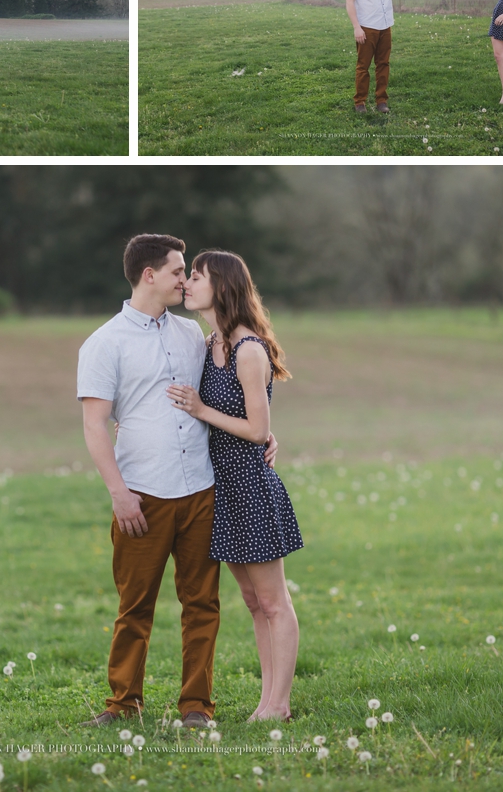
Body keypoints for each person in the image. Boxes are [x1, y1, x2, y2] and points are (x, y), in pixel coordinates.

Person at [77, 234, 277, 729]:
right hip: (142, 494)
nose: (184, 280)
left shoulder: (193, 335)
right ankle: (123, 705)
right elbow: (93, 424)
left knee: (202, 604)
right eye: (177, 271)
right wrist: (119, 493)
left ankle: (196, 708)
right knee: (135, 605)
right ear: (150, 275)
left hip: (202, 490)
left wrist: (266, 435)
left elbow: (237, 396)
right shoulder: (105, 343)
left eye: (189, 273)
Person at [167, 250, 302, 722]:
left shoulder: (248, 349)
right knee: (251, 601)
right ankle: (268, 702)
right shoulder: (210, 344)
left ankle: (278, 704)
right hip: (219, 489)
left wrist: (201, 409)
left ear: (220, 286)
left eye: (196, 277)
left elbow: (257, 430)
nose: (187, 284)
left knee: (273, 601)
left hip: (248, 487)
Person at [344, 0, 449, 113]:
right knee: (363, 66)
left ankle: (381, 101)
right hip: (367, 27)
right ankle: (359, 102)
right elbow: (349, 2)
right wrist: (356, 27)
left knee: (383, 64)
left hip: (385, 25)